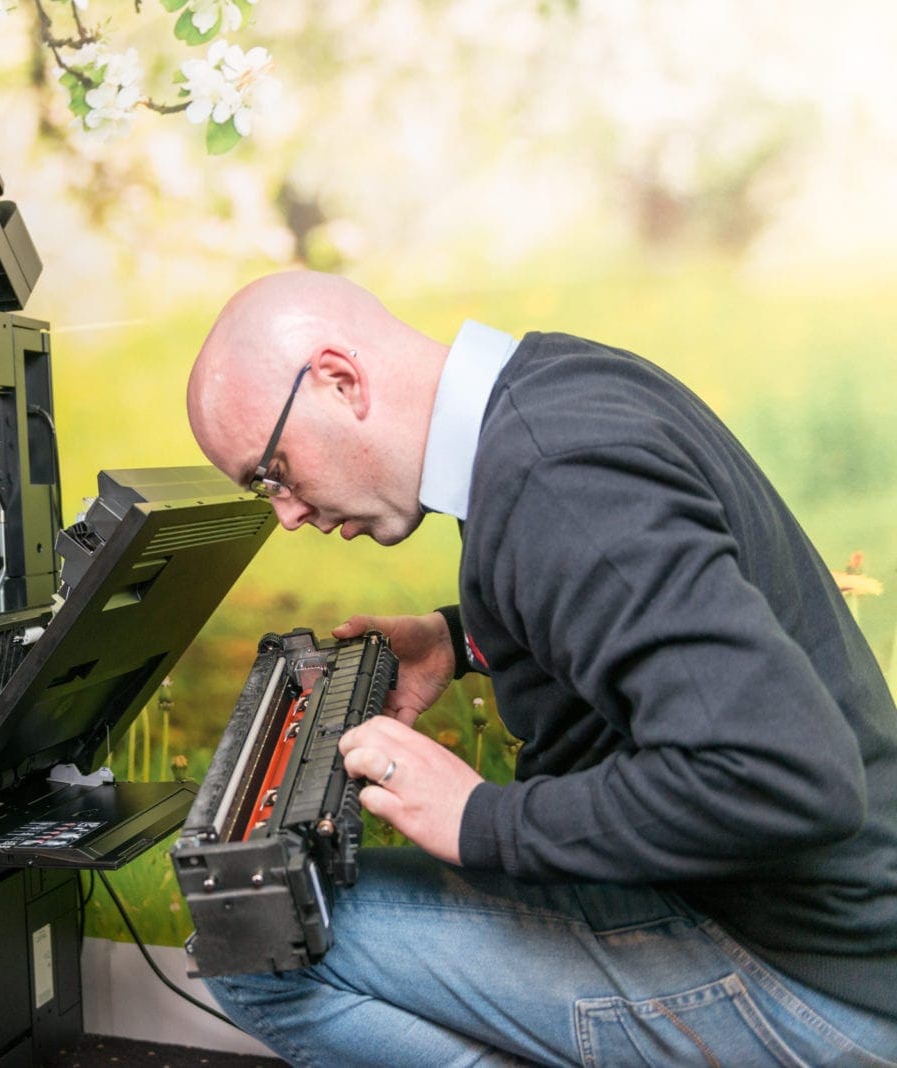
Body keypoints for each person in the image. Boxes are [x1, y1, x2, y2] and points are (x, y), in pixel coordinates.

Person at [183, 271, 897, 1066]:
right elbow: (618, 595)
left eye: (272, 471)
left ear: (341, 381)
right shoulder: (547, 391)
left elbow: (791, 775)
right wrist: (461, 640)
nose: (287, 515)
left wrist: (478, 819)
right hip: (816, 937)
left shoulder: (556, 480)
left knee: (252, 945)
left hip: (807, 977)